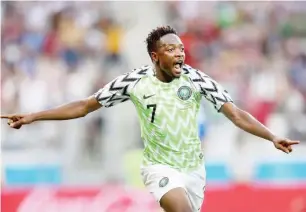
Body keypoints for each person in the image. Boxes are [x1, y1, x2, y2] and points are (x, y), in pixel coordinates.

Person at [1, 26, 300, 212]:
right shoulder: (132, 82)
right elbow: (83, 106)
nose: (180, 53)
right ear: (155, 56)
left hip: (194, 170)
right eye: (171, 49)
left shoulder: (197, 80)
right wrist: (34, 116)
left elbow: (236, 114)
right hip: (159, 167)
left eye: (181, 48)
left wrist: (272, 136)